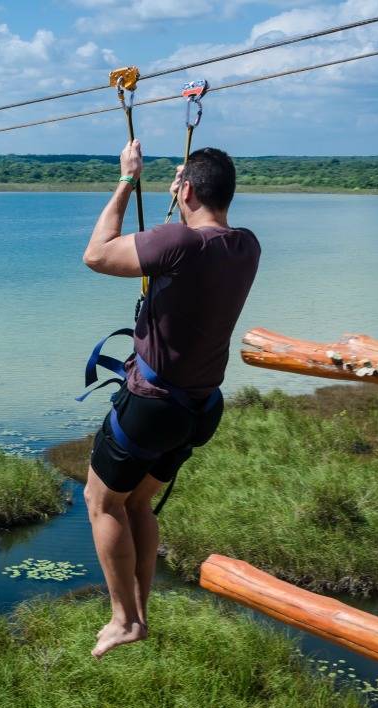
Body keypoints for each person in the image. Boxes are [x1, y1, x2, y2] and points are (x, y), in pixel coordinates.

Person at [80, 140, 261, 658]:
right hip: (199, 409)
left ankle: (123, 619)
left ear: (184, 190)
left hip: (153, 405)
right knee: (136, 502)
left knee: (101, 501)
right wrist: (187, 192)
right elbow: (200, 230)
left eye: (180, 187)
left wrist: (127, 181)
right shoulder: (246, 245)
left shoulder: (180, 244)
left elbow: (96, 253)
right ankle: (141, 613)